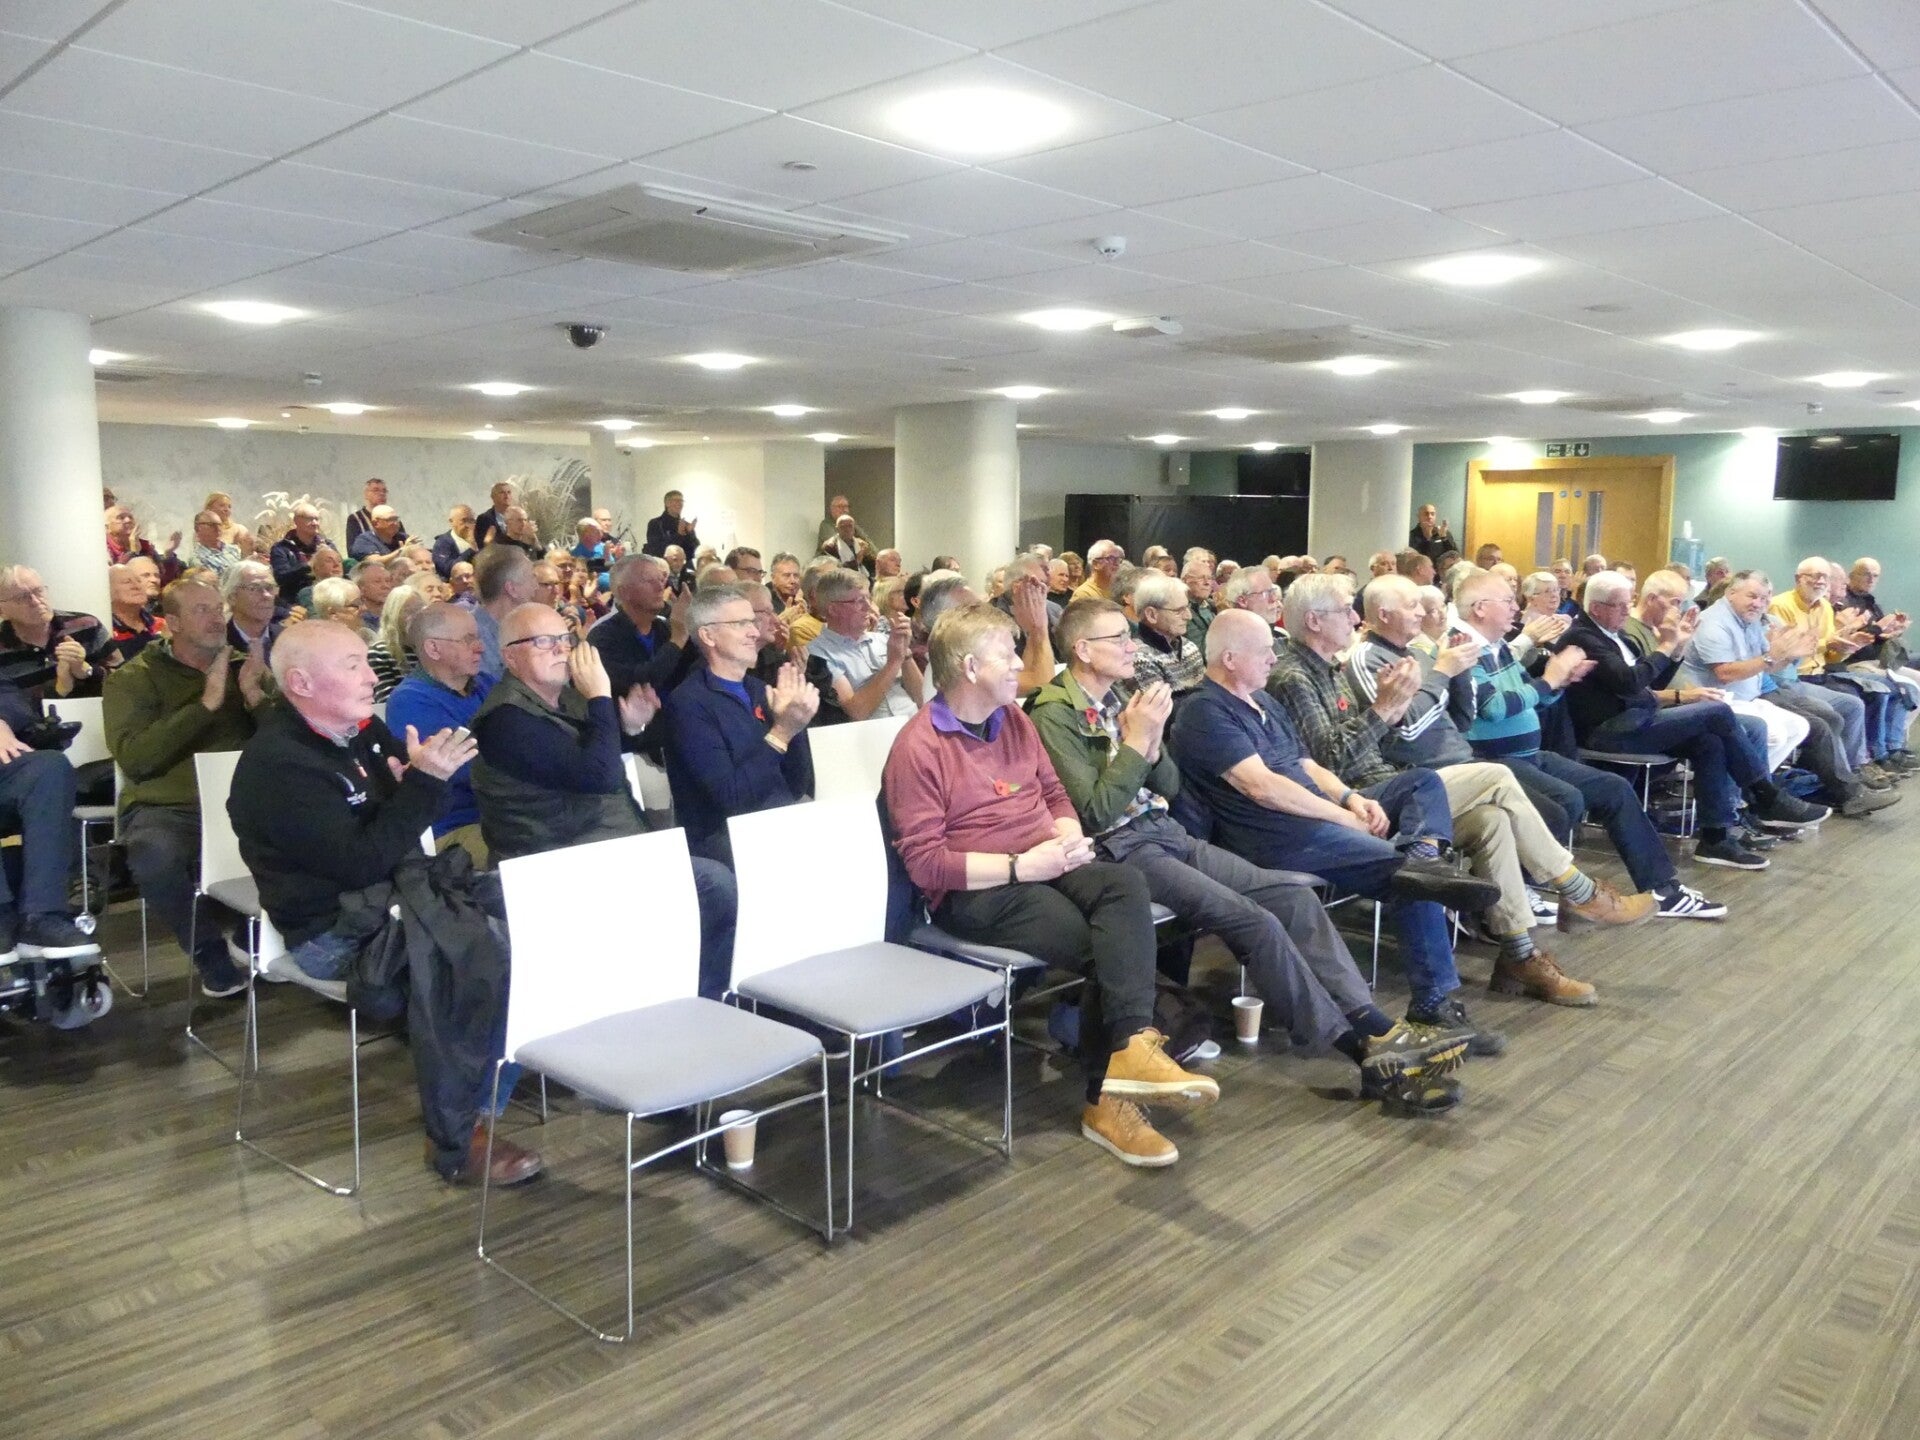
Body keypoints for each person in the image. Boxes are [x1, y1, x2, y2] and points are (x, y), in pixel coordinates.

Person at [1032, 601, 1471, 1110]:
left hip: (1166, 832)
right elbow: (1096, 812)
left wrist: (1150, 748)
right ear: (1084, 650)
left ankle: (1374, 1024)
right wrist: (1136, 744)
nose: (1132, 647)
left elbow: (1168, 787)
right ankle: (1363, 1050)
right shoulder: (1054, 712)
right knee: (1253, 920)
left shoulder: (1127, 697)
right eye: (1120, 639)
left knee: (1290, 896)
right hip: (1120, 851)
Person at [884, 601, 1220, 1166]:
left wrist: (1066, 839)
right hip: (979, 890)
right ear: (969, 669)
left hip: (1044, 860)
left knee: (1122, 884)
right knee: (1101, 949)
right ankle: (1111, 1096)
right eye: (1007, 654)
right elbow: (926, 864)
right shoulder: (919, 747)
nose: (1021, 663)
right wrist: (1021, 867)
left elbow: (1056, 796)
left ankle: (1129, 1051)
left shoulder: (1012, 720)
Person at [228, 620, 540, 1188]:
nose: (373, 675)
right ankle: (461, 1131)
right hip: (335, 930)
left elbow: (400, 819)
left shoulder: (364, 731)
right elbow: (359, 862)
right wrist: (423, 785)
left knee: (541, 906)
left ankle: (500, 1065)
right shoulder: (278, 766)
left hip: (402, 895)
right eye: (352, 665)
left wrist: (417, 783)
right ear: (300, 682)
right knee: (480, 952)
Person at [1294, 575, 1647, 1013]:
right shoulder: (1353, 662)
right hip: (1387, 788)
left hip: (1412, 781)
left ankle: (1519, 957)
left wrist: (1456, 673)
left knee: (1493, 820)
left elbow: (1460, 721)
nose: (1425, 612)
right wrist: (1440, 673)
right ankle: (1578, 889)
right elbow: (1397, 734)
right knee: (1498, 777)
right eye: (1414, 607)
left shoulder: (1406, 655)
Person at [1169, 610, 1504, 1042]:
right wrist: (1343, 816)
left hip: (1314, 816)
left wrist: (1351, 797)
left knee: (1421, 783)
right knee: (1414, 880)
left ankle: (1425, 852)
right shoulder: (1204, 711)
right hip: (1273, 835)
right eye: (1264, 650)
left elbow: (1305, 764)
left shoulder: (1264, 701)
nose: (1274, 657)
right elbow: (1263, 788)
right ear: (1230, 659)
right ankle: (1432, 1005)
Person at [471, 604, 738, 998]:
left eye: (565, 638)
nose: (561, 650)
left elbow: (592, 754)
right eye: (543, 642)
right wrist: (599, 695)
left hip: (603, 848)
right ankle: (691, 997)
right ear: (510, 656)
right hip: (557, 861)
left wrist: (630, 726)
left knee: (722, 874)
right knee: (713, 886)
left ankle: (689, 994)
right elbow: (598, 775)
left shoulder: (562, 699)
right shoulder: (505, 719)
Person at [1451, 571, 1727, 920]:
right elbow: (1492, 709)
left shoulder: (1498, 647)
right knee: (1566, 801)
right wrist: (1550, 679)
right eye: (1507, 601)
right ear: (1479, 609)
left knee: (1613, 789)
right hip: (1490, 760)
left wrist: (1561, 682)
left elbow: (1534, 697)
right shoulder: (1462, 647)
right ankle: (1514, 889)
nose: (1514, 608)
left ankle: (1664, 890)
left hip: (1526, 754)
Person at [1559, 571, 1830, 868]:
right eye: (1619, 605)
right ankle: (1764, 795)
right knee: (1717, 712)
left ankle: (1716, 838)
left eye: (1628, 603)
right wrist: (1664, 646)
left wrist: (1676, 649)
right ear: (1596, 607)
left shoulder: (1617, 636)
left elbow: (1651, 685)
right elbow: (1628, 682)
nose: (1627, 610)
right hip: (1607, 730)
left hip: (1638, 717)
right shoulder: (1581, 636)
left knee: (1709, 741)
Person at [105, 575, 271, 996]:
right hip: (170, 805)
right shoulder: (135, 677)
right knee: (152, 854)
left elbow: (286, 744)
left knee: (325, 823)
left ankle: (268, 936)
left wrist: (254, 696)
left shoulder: (243, 669)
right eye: (202, 610)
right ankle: (209, 954)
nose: (217, 619)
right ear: (172, 623)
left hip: (245, 801)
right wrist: (206, 705)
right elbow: (137, 759)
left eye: (218, 609)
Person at [1679, 571, 1893, 818]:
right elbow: (1726, 673)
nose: (1758, 603)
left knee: (1799, 725)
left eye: (1762, 598)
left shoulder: (1747, 620)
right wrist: (1773, 656)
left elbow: (1768, 665)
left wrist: (1788, 654)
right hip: (1718, 699)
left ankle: (1758, 796)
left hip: (1747, 696)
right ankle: (1749, 801)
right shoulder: (1714, 623)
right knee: (1790, 729)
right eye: (1752, 596)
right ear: (1731, 593)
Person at [664, 584, 816, 863]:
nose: (755, 632)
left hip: (779, 820)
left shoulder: (760, 689)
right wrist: (782, 732)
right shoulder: (687, 704)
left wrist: (797, 723)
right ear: (708, 635)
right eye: (741, 623)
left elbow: (797, 784)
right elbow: (731, 799)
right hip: (725, 839)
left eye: (752, 622)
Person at [386, 602, 493, 863]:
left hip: (506, 810)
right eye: (468, 640)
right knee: (534, 854)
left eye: (477, 637)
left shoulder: (486, 683)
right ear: (433, 648)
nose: (480, 647)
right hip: (458, 825)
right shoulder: (410, 701)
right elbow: (471, 768)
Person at [808, 568, 923, 721]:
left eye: (869, 599)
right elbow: (856, 712)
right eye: (859, 601)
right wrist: (894, 662)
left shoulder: (883, 639)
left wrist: (906, 655)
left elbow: (923, 698)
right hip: (873, 735)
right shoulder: (818, 653)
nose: (868, 607)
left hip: (913, 723)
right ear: (833, 609)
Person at [586, 553, 693, 701]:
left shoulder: (664, 628)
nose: (660, 587)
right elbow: (638, 682)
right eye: (649, 581)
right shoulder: (602, 636)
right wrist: (678, 639)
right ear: (624, 592)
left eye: (661, 579)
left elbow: (695, 666)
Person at [0, 565, 116, 700]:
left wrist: (86, 670)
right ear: (2, 611)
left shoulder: (87, 625)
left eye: (38, 591)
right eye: (22, 598)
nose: (36, 602)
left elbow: (126, 681)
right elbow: (8, 712)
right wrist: (60, 688)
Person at [1119, 572, 1204, 699]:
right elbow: (1162, 713)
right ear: (1151, 615)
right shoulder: (1138, 657)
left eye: (1187, 607)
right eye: (1178, 611)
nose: (1188, 616)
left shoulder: (1188, 646)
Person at [472, 544, 538, 682]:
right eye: (532, 578)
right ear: (511, 589)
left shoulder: (530, 629)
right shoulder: (470, 637)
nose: (536, 586)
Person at [269, 504, 335, 606]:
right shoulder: (281, 548)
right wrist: (310, 565)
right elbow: (280, 578)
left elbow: (338, 569)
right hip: (294, 602)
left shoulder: (328, 545)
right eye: (309, 519)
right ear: (296, 521)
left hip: (327, 597)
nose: (315, 523)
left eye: (317, 519)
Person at [367, 586, 423, 701]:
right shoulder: (379, 652)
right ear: (394, 614)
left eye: (419, 609)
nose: (416, 615)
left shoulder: (431, 649)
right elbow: (384, 697)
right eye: (408, 611)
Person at [221, 560, 283, 659]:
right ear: (232, 597)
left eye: (269, 587)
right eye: (254, 588)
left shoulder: (287, 639)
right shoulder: (217, 645)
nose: (267, 595)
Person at [106, 563, 164, 663]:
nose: (136, 586)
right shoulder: (105, 631)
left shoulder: (163, 625)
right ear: (107, 590)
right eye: (126, 582)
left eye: (138, 581)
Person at [643, 489, 699, 559]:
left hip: (684, 567)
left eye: (681, 501)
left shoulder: (686, 526)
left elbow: (695, 551)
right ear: (667, 503)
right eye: (676, 500)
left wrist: (689, 533)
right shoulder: (655, 524)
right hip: (664, 567)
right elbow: (656, 550)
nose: (680, 504)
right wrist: (678, 535)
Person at [188, 509, 242, 576]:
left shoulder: (235, 549)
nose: (218, 529)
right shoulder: (197, 559)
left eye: (219, 524)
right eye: (211, 525)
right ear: (198, 528)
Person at [432, 504, 476, 580]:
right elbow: (447, 568)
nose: (468, 525)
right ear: (451, 522)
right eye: (464, 520)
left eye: (471, 521)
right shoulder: (442, 543)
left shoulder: (480, 539)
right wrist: (470, 550)